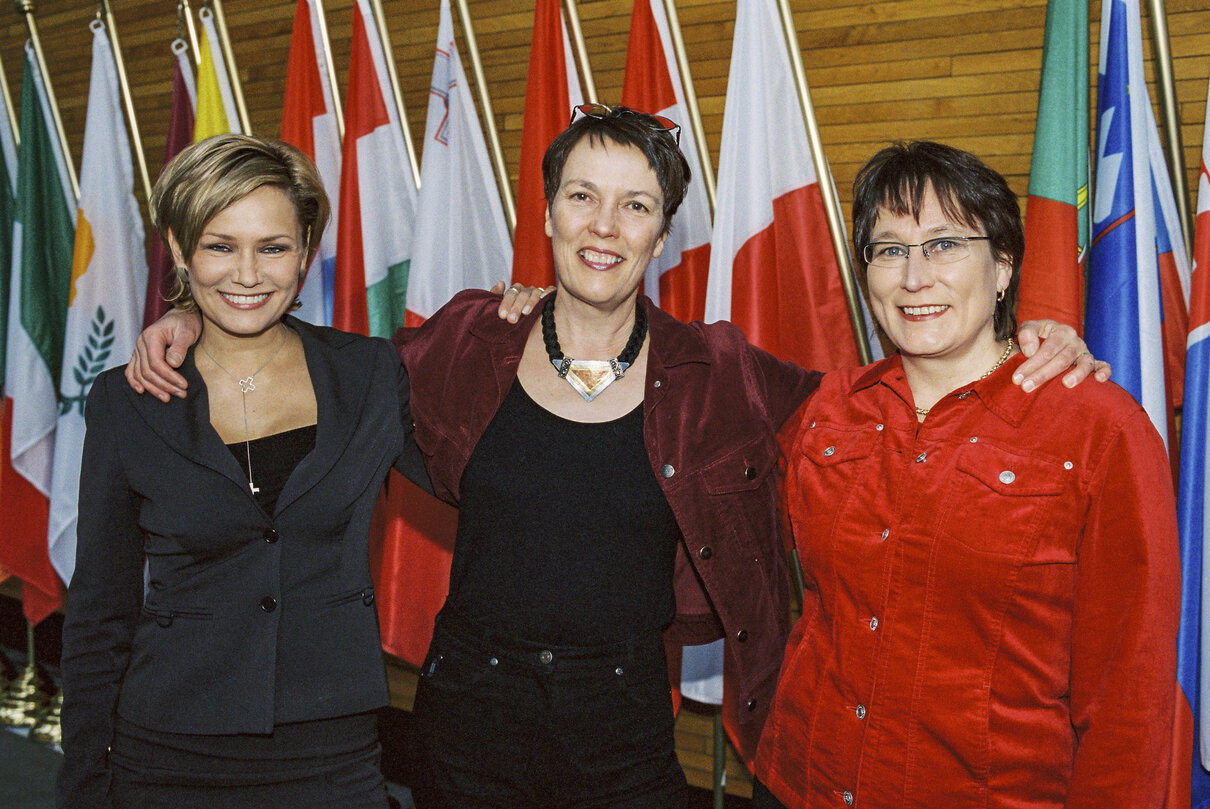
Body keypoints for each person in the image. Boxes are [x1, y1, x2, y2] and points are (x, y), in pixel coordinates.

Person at [128, 110, 1105, 809]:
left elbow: (882, 409)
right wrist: (191, 314)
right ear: (547, 212)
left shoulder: (723, 371)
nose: (604, 224)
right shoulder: (472, 336)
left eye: (634, 204)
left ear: (662, 230)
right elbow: (323, 375)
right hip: (471, 705)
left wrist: (1024, 339)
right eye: (582, 196)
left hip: (627, 713)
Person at [56, 134, 541, 809]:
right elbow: (99, 617)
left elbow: (491, 471)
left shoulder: (370, 375)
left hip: (330, 757)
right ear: (176, 246)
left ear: (307, 249)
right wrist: (82, 789)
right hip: (166, 754)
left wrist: (544, 329)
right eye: (219, 245)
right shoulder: (127, 399)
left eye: (273, 246)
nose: (247, 274)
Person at [751, 141, 1179, 809]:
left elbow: (1131, 695)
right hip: (798, 779)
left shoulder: (1100, 429)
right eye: (889, 249)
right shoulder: (828, 410)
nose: (915, 277)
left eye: (945, 244)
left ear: (1003, 264)